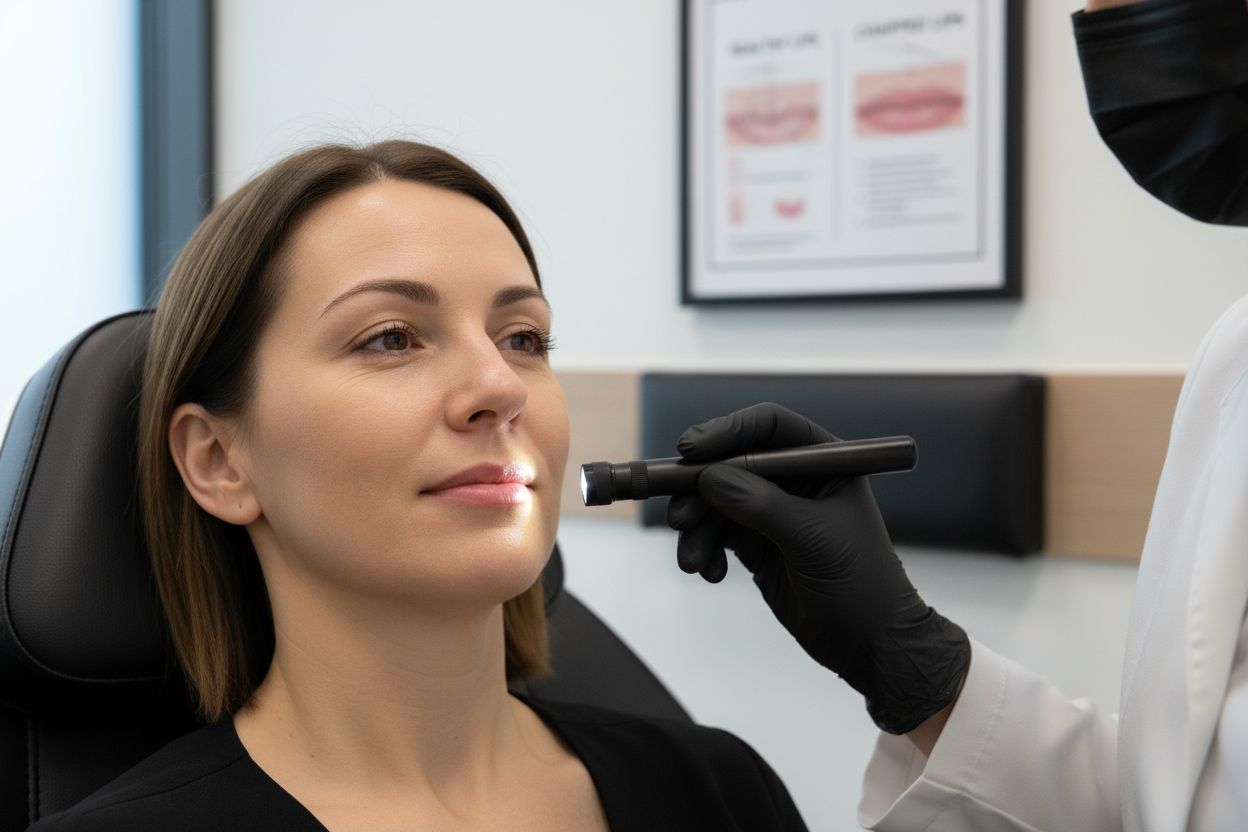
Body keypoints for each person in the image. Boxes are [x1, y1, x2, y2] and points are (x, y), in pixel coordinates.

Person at [27, 142, 807, 830]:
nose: (500, 387)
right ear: (219, 462)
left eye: (523, 338)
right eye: (391, 337)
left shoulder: (717, 789)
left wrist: (917, 684)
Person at [670, 0, 1248, 829]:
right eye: (403, 336)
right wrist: (915, 666)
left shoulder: (692, 784)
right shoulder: (1238, 348)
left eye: (525, 337)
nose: (1097, 13)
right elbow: (1179, 800)